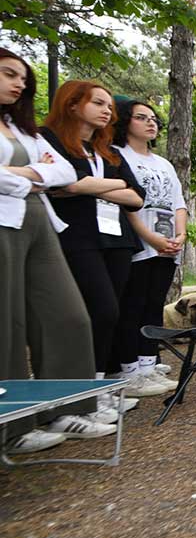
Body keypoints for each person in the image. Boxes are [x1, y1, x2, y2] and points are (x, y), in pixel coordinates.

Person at [0, 49, 109, 453]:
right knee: (8, 326)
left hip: (38, 222)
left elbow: (63, 171)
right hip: (4, 222)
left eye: (23, 79)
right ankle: (12, 425)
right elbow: (51, 174)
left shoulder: (22, 129)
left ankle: (66, 408)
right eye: (9, 74)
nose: (18, 83)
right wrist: (31, 177)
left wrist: (19, 176)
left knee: (68, 316)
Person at [41, 81, 166, 422]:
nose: (107, 110)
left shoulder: (106, 150)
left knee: (110, 314)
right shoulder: (49, 139)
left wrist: (88, 186)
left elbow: (136, 195)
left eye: (109, 105)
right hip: (77, 238)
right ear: (71, 104)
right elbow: (60, 182)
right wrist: (112, 186)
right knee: (98, 311)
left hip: (116, 240)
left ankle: (99, 390)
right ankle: (79, 397)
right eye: (98, 103)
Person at [110, 99, 186, 396]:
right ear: (125, 121)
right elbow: (127, 203)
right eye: (141, 118)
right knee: (133, 306)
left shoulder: (163, 163)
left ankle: (147, 364)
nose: (150, 123)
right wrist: (148, 237)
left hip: (168, 244)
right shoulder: (117, 156)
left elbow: (178, 202)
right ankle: (129, 372)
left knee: (154, 304)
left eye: (154, 118)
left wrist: (179, 236)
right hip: (138, 242)